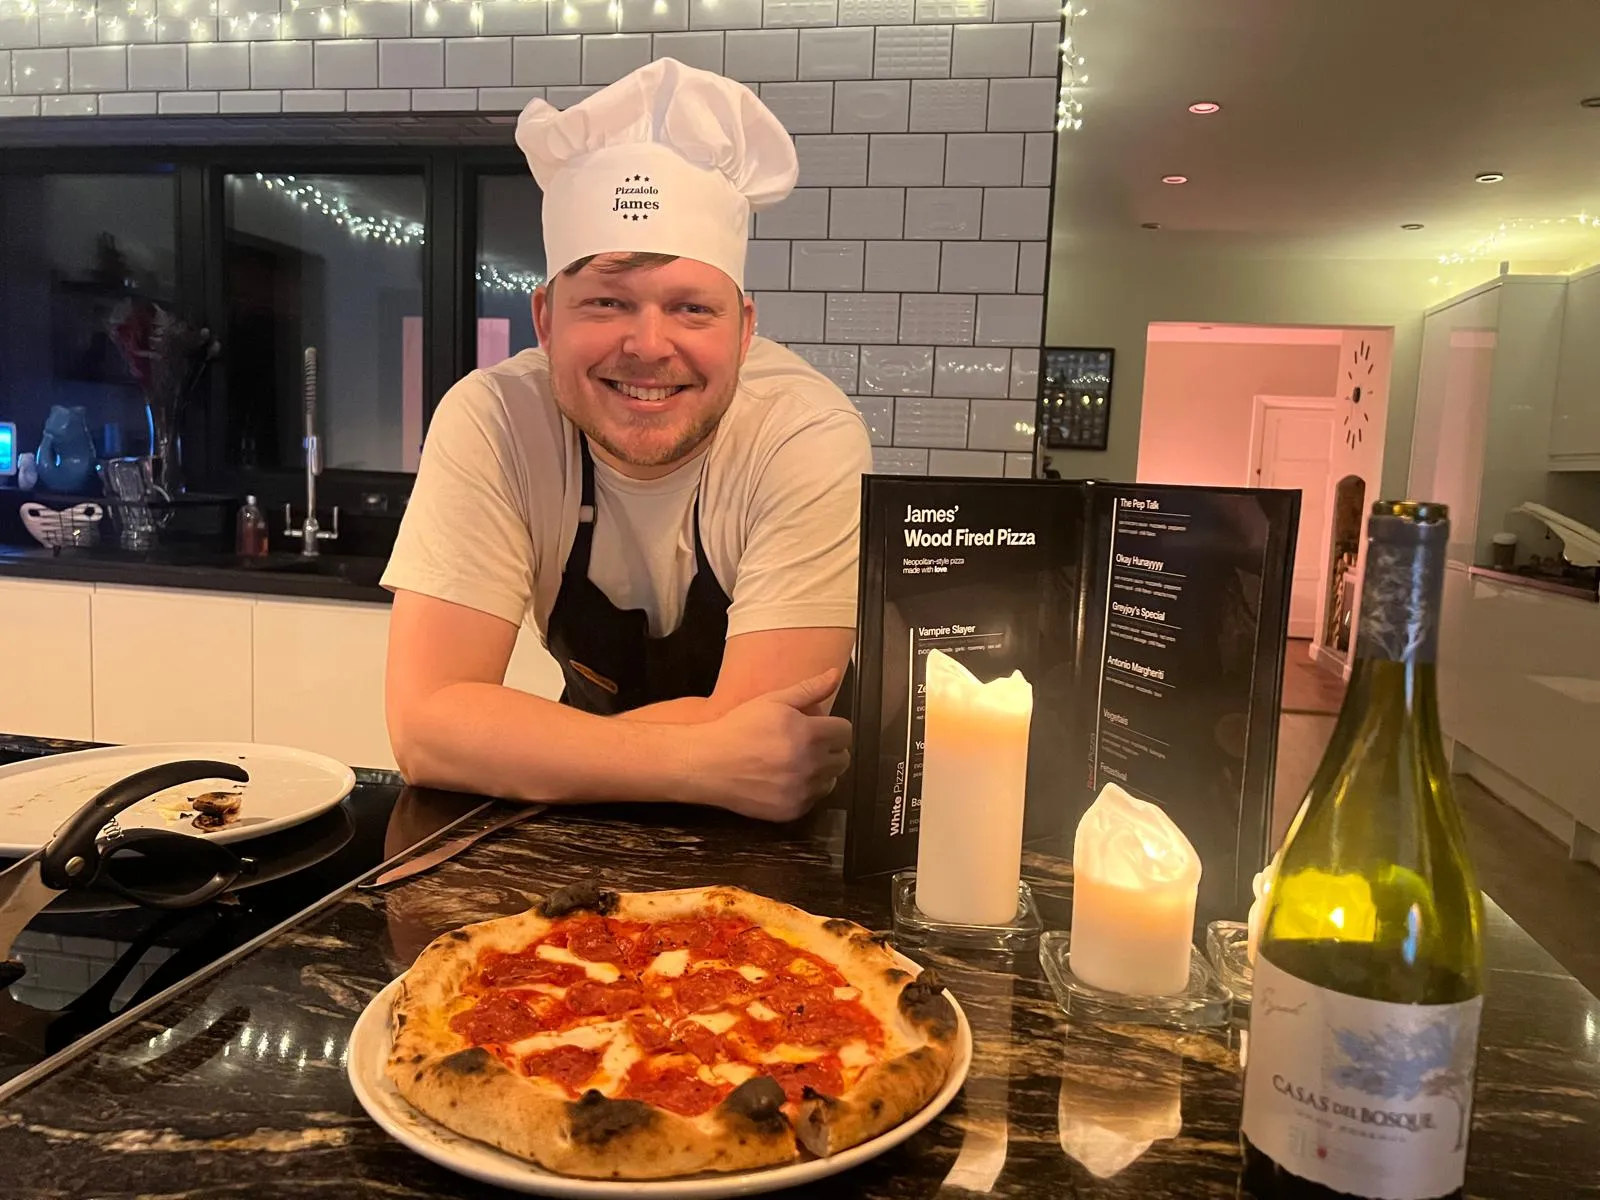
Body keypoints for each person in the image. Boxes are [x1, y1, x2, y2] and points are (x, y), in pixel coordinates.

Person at [381, 58, 873, 823]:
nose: (648, 346)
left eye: (691, 310)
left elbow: (780, 746)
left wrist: (524, 746)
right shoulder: (494, 420)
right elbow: (426, 731)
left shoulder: (804, 435)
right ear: (546, 320)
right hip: (571, 836)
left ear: (744, 330)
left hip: (772, 863)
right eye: (608, 301)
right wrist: (699, 758)